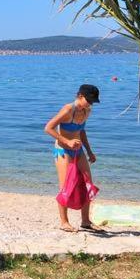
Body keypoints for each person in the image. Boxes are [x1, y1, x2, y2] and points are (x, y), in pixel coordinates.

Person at [45, 84, 102, 233]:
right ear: (80, 96)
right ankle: (64, 222)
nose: (90, 104)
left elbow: (81, 131)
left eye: (93, 102)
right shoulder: (68, 110)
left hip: (79, 150)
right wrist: (67, 141)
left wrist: (89, 151)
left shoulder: (87, 111)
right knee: (66, 187)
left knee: (87, 184)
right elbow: (48, 128)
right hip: (63, 151)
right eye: (89, 100)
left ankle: (85, 221)